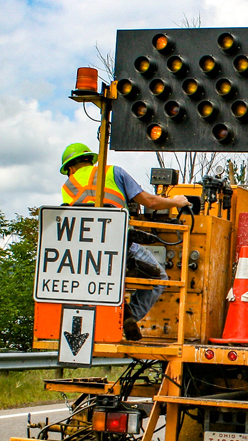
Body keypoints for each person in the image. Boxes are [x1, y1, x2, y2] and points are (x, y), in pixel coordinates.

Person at [59, 143, 189, 341]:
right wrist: (176, 202)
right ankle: (123, 320)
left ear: (70, 168)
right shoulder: (114, 172)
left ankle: (99, 319)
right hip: (119, 245)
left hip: (84, 254)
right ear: (90, 160)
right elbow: (150, 202)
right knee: (159, 278)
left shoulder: (67, 187)